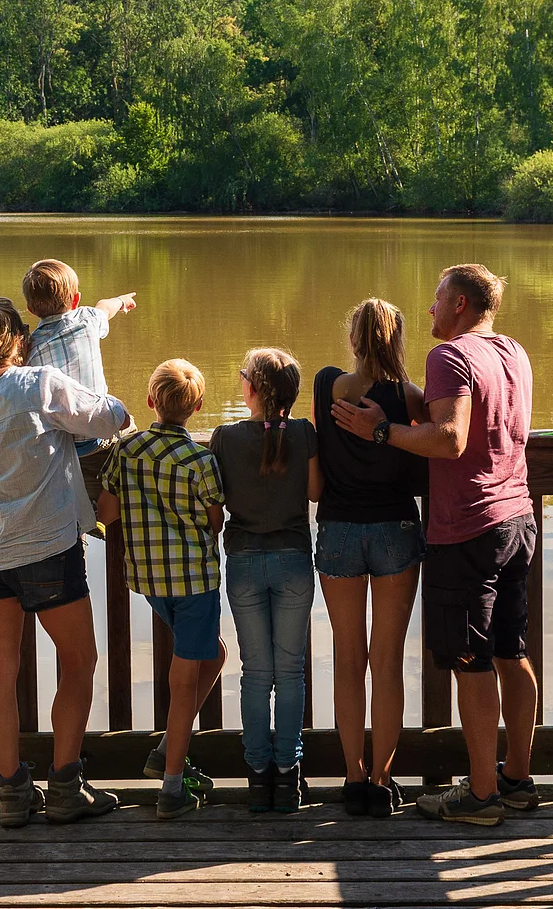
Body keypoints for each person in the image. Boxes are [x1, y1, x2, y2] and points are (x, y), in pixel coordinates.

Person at [334, 265, 539, 826]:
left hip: (468, 527)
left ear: (460, 304)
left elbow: (449, 439)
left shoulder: (450, 358)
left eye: (437, 300)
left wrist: (382, 431)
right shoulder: (513, 352)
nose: (429, 311)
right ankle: (516, 779)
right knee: (511, 652)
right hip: (517, 517)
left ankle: (479, 796)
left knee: (470, 660)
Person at [0, 296, 131, 828]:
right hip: (46, 547)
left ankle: (11, 792)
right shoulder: (36, 383)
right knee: (79, 662)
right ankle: (66, 785)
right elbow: (109, 417)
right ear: (20, 340)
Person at [313, 299, 429, 817]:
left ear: (355, 339)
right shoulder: (410, 398)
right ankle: (383, 779)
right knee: (386, 661)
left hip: (338, 528)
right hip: (396, 531)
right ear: (398, 340)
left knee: (347, 658)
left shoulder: (327, 385)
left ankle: (353, 775)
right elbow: (427, 461)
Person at [97, 359, 227, 821]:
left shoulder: (127, 450)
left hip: (150, 579)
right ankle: (171, 786)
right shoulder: (201, 459)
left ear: (151, 401)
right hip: (194, 580)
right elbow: (215, 522)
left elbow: (106, 511)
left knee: (213, 655)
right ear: (197, 408)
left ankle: (167, 749)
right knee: (185, 675)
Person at [210, 347, 321, 813]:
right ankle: (288, 775)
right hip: (294, 558)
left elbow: (218, 499)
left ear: (250, 389)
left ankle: (258, 779)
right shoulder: (304, 433)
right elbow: (315, 491)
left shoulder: (224, 437)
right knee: (290, 673)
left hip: (244, 563)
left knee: (255, 674)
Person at [22, 257, 137, 456]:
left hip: (58, 443)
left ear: (31, 310)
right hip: (97, 438)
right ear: (76, 299)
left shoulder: (30, 347)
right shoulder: (87, 320)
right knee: (116, 407)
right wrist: (121, 301)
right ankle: (130, 433)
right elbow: (104, 307)